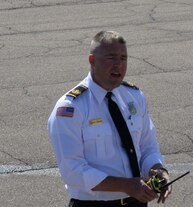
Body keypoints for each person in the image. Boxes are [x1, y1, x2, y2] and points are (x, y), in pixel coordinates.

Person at [48, 30, 172, 206]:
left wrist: (158, 171)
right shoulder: (71, 108)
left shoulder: (134, 97)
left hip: (137, 201)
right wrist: (127, 185)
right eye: (111, 58)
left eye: (123, 58)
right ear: (92, 61)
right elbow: (73, 171)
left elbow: (147, 147)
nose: (118, 65)